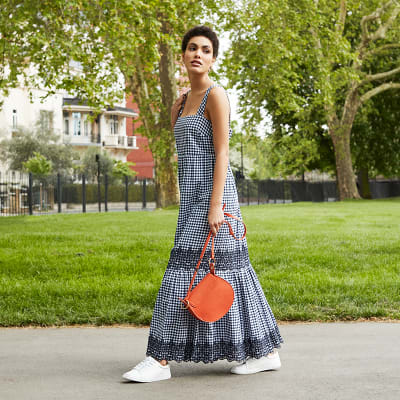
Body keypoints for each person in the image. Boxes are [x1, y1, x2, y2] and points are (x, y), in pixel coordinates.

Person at [122, 25, 284, 383]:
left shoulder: (216, 96)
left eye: (206, 50)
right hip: (191, 199)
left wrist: (216, 206)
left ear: (214, 58)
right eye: (192, 48)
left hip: (216, 198)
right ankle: (266, 352)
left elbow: (222, 153)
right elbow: (185, 156)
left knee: (182, 275)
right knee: (231, 271)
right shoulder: (178, 104)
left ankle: (159, 359)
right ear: (183, 55)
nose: (198, 54)